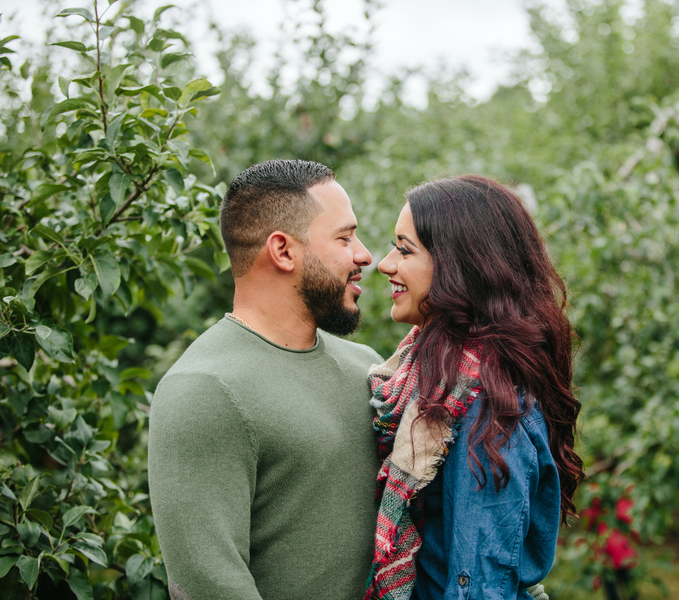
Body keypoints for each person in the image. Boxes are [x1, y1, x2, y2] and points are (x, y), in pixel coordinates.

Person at [148, 159, 382, 600]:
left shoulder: (369, 368)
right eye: (345, 237)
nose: (365, 255)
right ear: (283, 250)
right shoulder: (203, 389)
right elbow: (209, 586)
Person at [365, 175, 584, 600]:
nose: (386, 263)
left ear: (459, 265)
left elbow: (478, 583)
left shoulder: (485, 401)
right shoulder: (437, 378)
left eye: (405, 249)